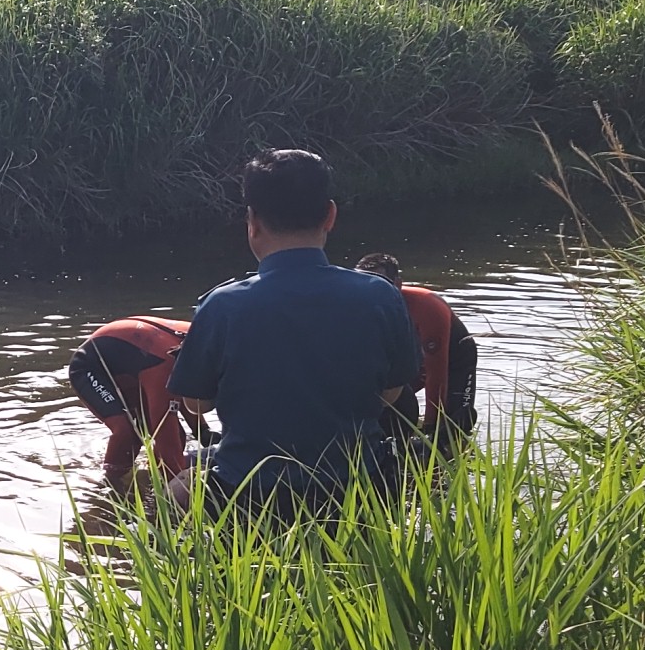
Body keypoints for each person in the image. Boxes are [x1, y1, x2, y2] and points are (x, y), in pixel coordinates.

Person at [166, 149, 420, 518]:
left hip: (251, 496)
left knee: (172, 495)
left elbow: (197, 405)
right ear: (330, 215)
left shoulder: (221, 305)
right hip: (356, 491)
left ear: (252, 221)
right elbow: (392, 393)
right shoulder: (380, 295)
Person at [354, 253, 478, 457]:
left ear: (398, 284)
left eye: (380, 284)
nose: (371, 292)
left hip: (452, 359)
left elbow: (437, 376)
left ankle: (453, 457)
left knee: (454, 425)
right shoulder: (354, 305)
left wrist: (431, 431)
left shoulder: (426, 306)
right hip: (410, 358)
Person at [67, 316, 203, 487]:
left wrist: (202, 430)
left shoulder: (208, 340)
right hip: (90, 366)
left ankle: (153, 479)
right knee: (128, 432)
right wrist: (179, 485)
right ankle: (111, 487)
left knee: (178, 437)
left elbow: (185, 393)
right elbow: (164, 429)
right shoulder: (165, 366)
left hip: (133, 363)